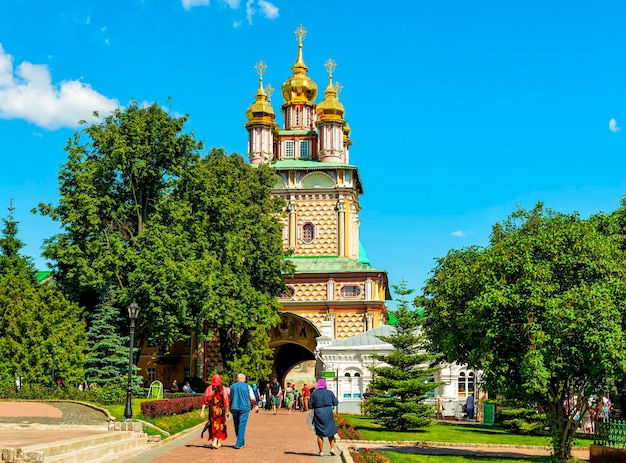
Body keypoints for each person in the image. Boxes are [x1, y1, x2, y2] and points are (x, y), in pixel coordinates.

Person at [309, 378, 339, 457]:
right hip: (328, 412)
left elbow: (310, 405)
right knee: (331, 432)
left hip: (318, 413)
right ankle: (332, 448)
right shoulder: (329, 392)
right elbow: (335, 402)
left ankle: (321, 451)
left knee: (319, 433)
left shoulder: (314, 394)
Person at [200, 374, 230, 449]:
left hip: (212, 411)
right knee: (219, 426)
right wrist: (227, 411)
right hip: (220, 411)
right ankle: (214, 442)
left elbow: (205, 401)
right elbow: (226, 401)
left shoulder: (209, 389)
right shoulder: (224, 389)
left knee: (213, 425)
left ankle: (217, 442)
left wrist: (202, 411)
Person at [229, 373, 255, 449]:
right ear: (244, 379)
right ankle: (239, 443)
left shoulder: (232, 387)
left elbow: (229, 398)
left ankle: (241, 442)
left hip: (234, 407)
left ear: (237, 379)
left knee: (237, 425)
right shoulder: (247, 386)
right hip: (244, 408)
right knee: (242, 425)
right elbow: (253, 399)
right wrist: (251, 405)